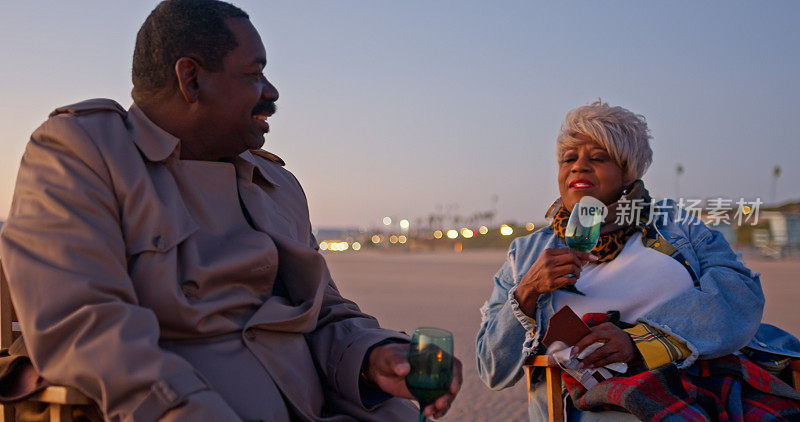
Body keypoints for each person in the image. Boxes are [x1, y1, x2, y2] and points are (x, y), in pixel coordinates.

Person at [0, 1, 462, 420]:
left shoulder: (277, 185)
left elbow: (324, 315)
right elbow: (87, 325)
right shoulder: (85, 152)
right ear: (191, 78)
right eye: (254, 74)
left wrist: (373, 356)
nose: (272, 92)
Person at [476, 100, 800, 421]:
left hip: (694, 384)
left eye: (598, 157)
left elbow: (739, 295)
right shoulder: (527, 254)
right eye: (568, 158)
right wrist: (527, 292)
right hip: (588, 401)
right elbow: (492, 369)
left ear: (627, 171)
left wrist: (642, 340)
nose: (578, 166)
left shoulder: (676, 225)